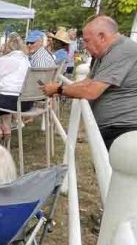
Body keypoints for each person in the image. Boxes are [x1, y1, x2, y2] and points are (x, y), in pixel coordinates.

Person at [42, 15, 137, 150]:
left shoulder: (122, 50)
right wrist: (58, 90)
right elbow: (87, 82)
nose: (84, 46)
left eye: (87, 41)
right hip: (114, 128)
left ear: (102, 36)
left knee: (110, 169)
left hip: (123, 131)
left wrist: (59, 90)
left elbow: (91, 91)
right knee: (102, 169)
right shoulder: (103, 54)